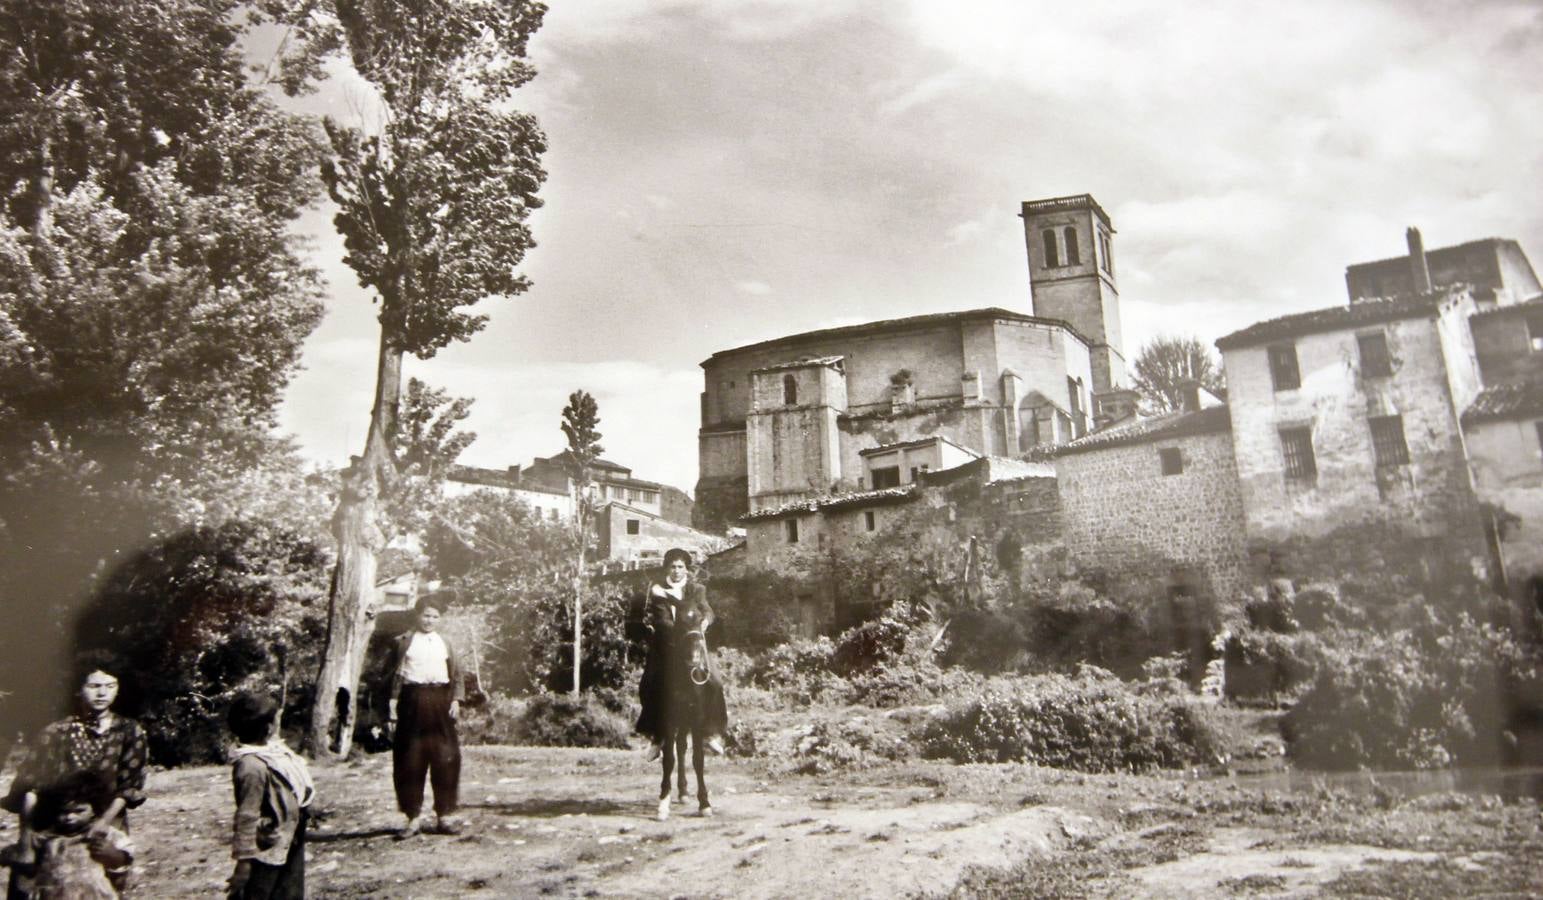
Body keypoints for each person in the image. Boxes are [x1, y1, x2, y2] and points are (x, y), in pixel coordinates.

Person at [2, 665, 147, 899]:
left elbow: (129, 785)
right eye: (94, 686)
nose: (102, 693)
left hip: (105, 822)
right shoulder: (55, 733)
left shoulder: (130, 732)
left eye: (110, 686)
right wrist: (27, 841)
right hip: (52, 824)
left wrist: (103, 823)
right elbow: (30, 787)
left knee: (101, 886)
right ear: (79, 689)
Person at [635, 548, 727, 759]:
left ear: (686, 569)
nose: (676, 571)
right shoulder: (658, 590)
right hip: (666, 644)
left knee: (714, 682)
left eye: (680, 567)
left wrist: (705, 621)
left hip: (694, 641)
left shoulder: (696, 589)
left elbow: (707, 610)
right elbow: (662, 619)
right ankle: (658, 738)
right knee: (651, 684)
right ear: (667, 568)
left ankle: (710, 733)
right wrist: (679, 631)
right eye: (673, 567)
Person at [386, 597, 465, 838]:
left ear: (440, 619)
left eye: (435, 616)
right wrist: (391, 706)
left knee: (446, 759)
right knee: (410, 760)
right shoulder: (402, 642)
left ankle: (444, 816)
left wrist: (455, 700)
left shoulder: (446, 643)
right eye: (426, 615)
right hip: (412, 701)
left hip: (441, 701)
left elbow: (457, 675)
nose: (429, 620)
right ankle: (413, 818)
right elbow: (392, 677)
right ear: (417, 616)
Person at [225, 692, 314, 900]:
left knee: (289, 892)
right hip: (266, 845)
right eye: (275, 720)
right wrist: (244, 862)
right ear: (268, 728)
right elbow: (246, 815)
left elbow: (293, 788)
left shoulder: (274, 753)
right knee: (259, 892)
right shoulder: (251, 766)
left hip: (289, 836)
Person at [0, 771, 132, 900]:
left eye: (79, 811)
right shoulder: (47, 835)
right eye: (64, 812)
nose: (70, 817)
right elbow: (22, 856)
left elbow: (125, 856)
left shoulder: (100, 834)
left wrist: (114, 855)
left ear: (94, 809)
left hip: (92, 894)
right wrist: (10, 855)